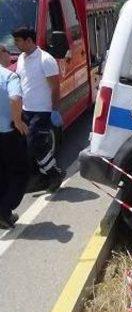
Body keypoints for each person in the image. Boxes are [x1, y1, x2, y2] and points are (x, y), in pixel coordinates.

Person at [12, 27, 65, 193]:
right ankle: (43, 176)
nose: (16, 44)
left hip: (42, 110)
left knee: (34, 143)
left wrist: (55, 110)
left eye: (18, 41)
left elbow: (55, 88)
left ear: (29, 40)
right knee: (30, 146)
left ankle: (53, 173)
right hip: (26, 109)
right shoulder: (21, 58)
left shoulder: (45, 60)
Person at [0, 44, 30, 228]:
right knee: (20, 172)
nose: (10, 55)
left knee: (2, 172)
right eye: (6, 51)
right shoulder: (9, 76)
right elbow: (15, 98)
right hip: (8, 133)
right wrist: (18, 121)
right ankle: (4, 210)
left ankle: (4, 213)